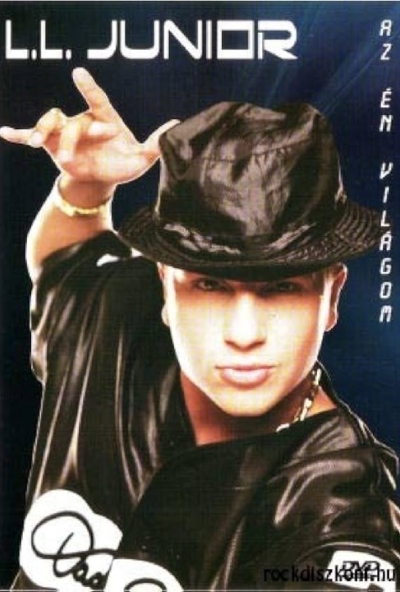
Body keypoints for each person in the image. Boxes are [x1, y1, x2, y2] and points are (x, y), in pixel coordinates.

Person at [1, 68, 399, 592]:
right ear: (164, 286)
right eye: (210, 285)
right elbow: (66, 261)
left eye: (282, 288)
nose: (243, 333)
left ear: (332, 298)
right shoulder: (119, 314)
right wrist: (87, 186)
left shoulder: (348, 510)